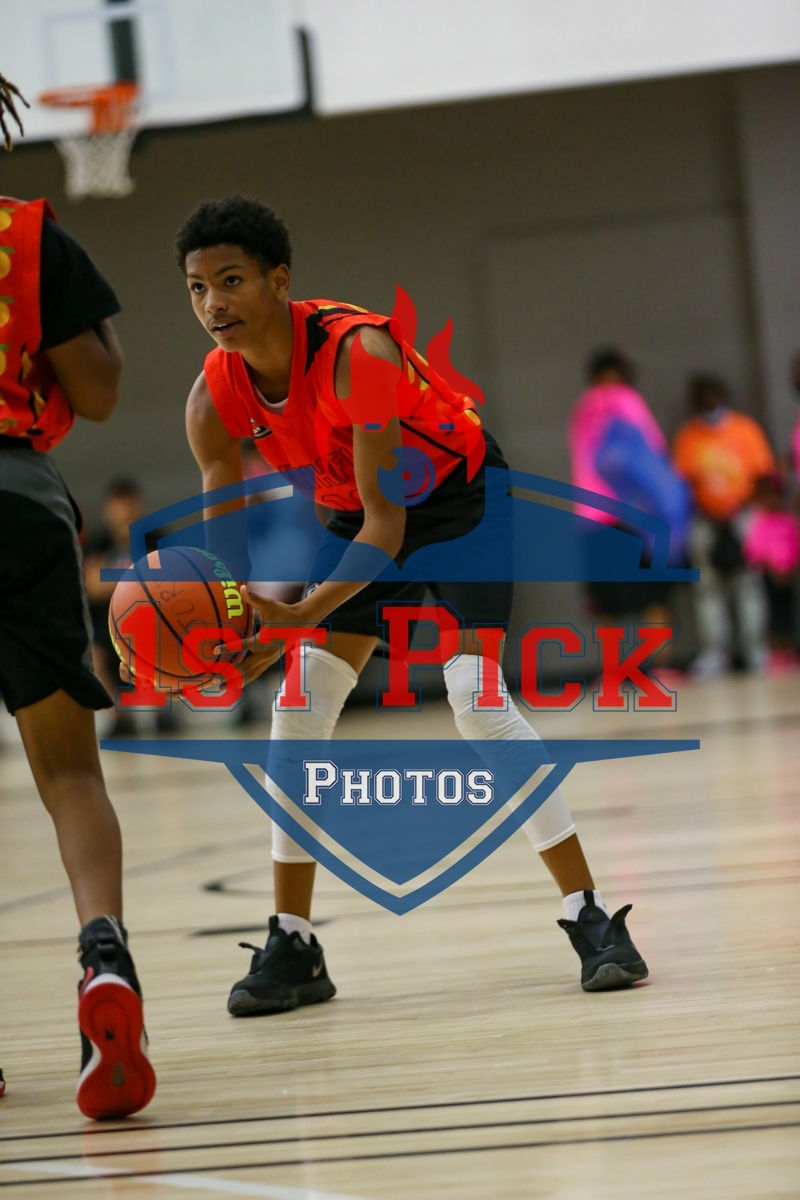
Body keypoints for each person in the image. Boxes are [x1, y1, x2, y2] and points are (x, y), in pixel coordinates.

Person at [174, 194, 649, 1012]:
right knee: (298, 703)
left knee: (476, 699)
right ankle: (293, 942)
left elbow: (389, 527)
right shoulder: (212, 396)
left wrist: (301, 614)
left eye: (231, 280)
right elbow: (229, 546)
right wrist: (231, 622)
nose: (213, 302)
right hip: (358, 512)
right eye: (196, 287)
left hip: (459, 501)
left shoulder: (357, 353)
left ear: (279, 280)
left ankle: (590, 915)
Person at [0, 72, 155, 1117]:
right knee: (67, 770)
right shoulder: (24, 236)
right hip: (16, 498)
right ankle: (105, 959)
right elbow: (99, 390)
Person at [568, 348, 692, 631]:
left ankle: (612, 659)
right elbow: (654, 454)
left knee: (606, 601)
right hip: (631, 513)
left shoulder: (581, 408)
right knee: (653, 596)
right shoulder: (625, 399)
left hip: (592, 516)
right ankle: (661, 658)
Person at [673, 374, 775, 675]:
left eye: (713, 396)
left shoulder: (745, 429)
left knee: (748, 584)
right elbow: (682, 483)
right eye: (702, 398)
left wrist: (738, 508)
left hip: (742, 517)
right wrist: (709, 511)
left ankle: (755, 649)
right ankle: (715, 652)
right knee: (707, 589)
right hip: (705, 520)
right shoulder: (689, 436)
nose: (709, 403)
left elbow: (762, 475)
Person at [742, 473, 800, 669]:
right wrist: (768, 567)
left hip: (788, 576)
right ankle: (775, 649)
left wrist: (789, 568)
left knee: (789, 613)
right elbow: (754, 549)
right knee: (771, 614)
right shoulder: (760, 521)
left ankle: (790, 648)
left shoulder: (787, 520)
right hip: (769, 577)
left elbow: (794, 544)